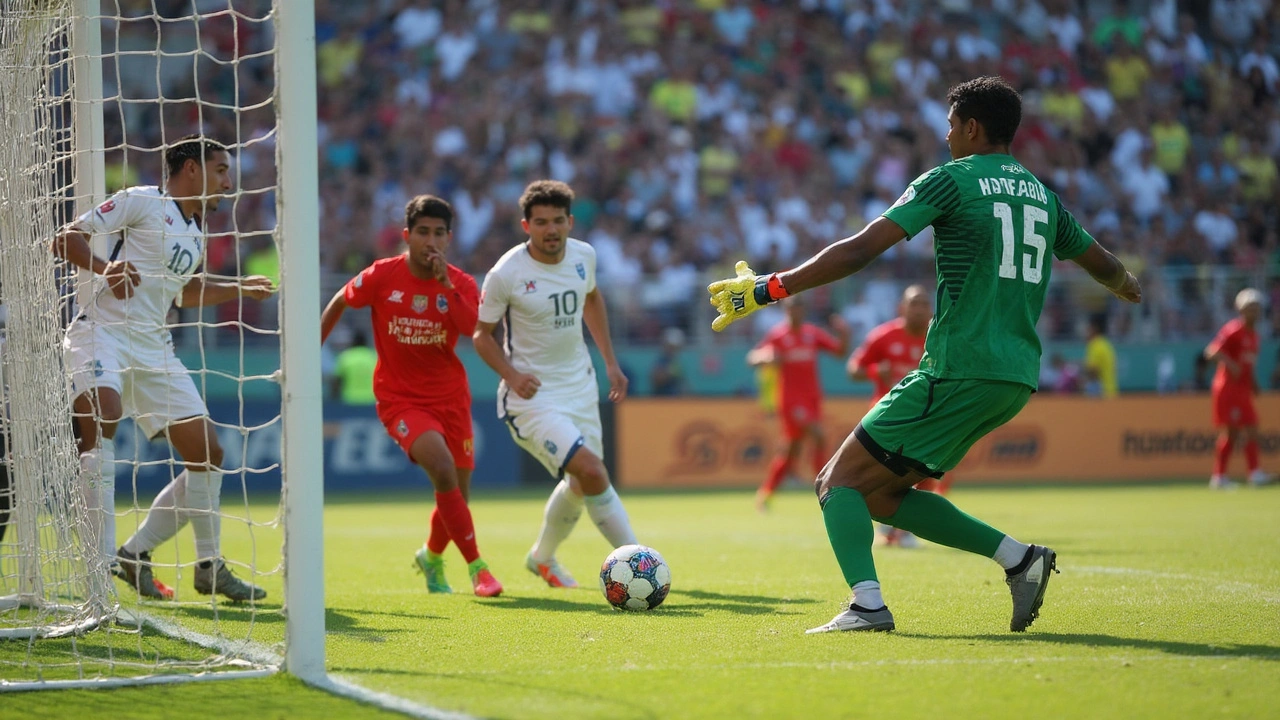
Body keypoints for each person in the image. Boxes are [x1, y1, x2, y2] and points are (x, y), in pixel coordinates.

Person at [707, 76, 1142, 634]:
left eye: (951, 125)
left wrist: (772, 287)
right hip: (1013, 377)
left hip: (958, 366)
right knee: (883, 493)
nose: (946, 136)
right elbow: (1103, 264)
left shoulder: (951, 181)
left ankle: (867, 605)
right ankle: (1019, 558)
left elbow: (862, 248)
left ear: (972, 127)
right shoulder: (1043, 196)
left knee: (836, 482)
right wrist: (1129, 284)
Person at [52, 135, 274, 601]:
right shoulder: (141, 201)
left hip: (154, 349)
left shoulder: (196, 231)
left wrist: (238, 288)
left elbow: (184, 294)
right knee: (103, 415)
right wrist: (102, 268)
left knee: (209, 452)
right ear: (191, 168)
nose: (227, 182)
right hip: (102, 333)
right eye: (220, 170)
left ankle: (193, 563)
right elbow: (65, 237)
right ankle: (98, 563)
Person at [320, 195, 502, 597]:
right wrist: (311, 347)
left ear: (449, 238)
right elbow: (340, 300)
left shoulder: (462, 283)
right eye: (422, 232)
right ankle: (479, 569)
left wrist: (445, 286)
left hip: (451, 398)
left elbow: (473, 331)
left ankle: (431, 557)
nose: (430, 240)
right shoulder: (383, 275)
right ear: (407, 236)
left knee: (457, 491)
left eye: (438, 233)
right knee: (441, 468)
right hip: (400, 398)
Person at [472, 180, 638, 589]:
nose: (551, 230)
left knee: (582, 483)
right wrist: (512, 375)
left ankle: (541, 558)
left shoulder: (584, 256)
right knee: (593, 471)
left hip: (580, 386)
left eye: (558, 221)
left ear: (570, 222)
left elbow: (592, 300)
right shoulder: (506, 273)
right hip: (532, 397)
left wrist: (610, 364)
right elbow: (481, 335)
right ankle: (639, 562)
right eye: (541, 222)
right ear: (525, 224)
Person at [847, 284, 934, 546]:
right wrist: (877, 371)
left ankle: (905, 529)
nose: (919, 310)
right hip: (888, 420)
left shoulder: (938, 338)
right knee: (884, 475)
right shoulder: (883, 336)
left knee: (928, 472)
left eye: (924, 304)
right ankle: (890, 527)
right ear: (901, 308)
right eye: (914, 303)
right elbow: (853, 370)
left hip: (926, 417)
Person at [748, 296, 849, 513]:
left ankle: (765, 494)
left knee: (791, 452)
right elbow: (753, 357)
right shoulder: (778, 336)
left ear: (804, 311)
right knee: (819, 435)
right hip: (791, 401)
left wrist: (844, 333)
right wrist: (765, 358)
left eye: (800, 308)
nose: (796, 313)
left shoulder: (811, 334)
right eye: (792, 309)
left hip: (812, 399)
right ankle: (826, 488)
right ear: (786, 311)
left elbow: (840, 353)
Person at [1205, 289, 1273, 490]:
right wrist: (1229, 363)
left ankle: (1254, 473)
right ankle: (1219, 477)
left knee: (1252, 428)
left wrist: (1254, 384)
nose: (1254, 312)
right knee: (1232, 432)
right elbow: (1211, 352)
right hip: (1227, 388)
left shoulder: (1255, 336)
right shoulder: (1233, 330)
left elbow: (1248, 364)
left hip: (1243, 389)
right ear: (1240, 310)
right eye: (1249, 308)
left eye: (1257, 308)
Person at [330, 330, 377, 405]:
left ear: (353, 342)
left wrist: (333, 399)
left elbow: (336, 381)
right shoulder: (373, 357)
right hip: (370, 400)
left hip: (349, 400)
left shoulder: (345, 357)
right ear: (366, 342)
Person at [1083, 314, 1118, 398]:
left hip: (1101, 395)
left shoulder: (1095, 345)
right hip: (1112, 392)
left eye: (1089, 327)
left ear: (1095, 328)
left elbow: (1093, 371)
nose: (1087, 330)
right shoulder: (1107, 344)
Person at [649, 327, 687, 396]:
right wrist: (669, 372)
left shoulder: (676, 360)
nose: (673, 349)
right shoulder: (661, 360)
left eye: (676, 347)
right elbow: (656, 379)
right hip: (662, 399)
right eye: (671, 346)